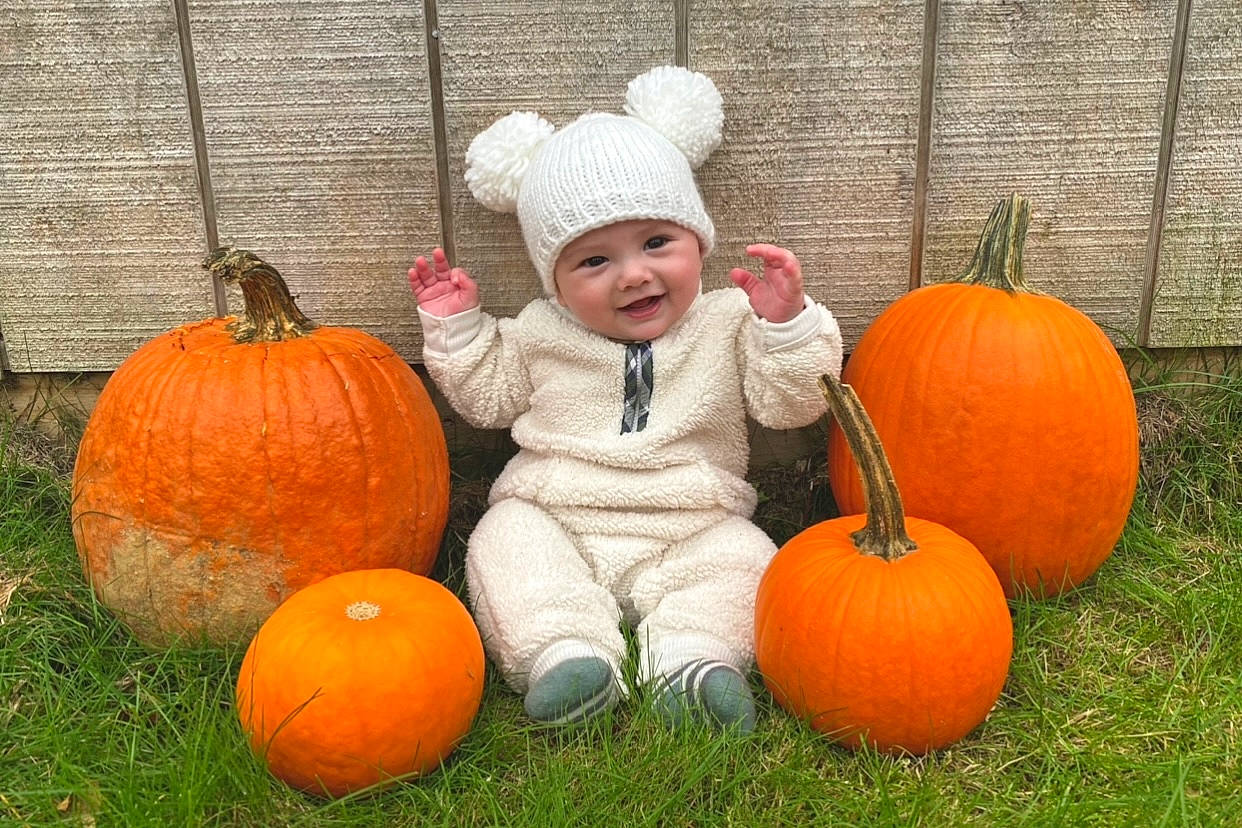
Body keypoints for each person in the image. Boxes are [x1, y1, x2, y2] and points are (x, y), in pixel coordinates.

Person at [408, 66, 843, 732]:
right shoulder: (540, 330)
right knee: (504, 543)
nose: (634, 273)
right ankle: (566, 655)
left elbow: (790, 405)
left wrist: (786, 327)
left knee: (749, 559)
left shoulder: (727, 320)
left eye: (656, 242)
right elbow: (489, 399)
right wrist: (460, 330)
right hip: (559, 514)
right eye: (593, 261)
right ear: (554, 284)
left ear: (697, 240)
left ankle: (693, 662)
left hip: (691, 521)